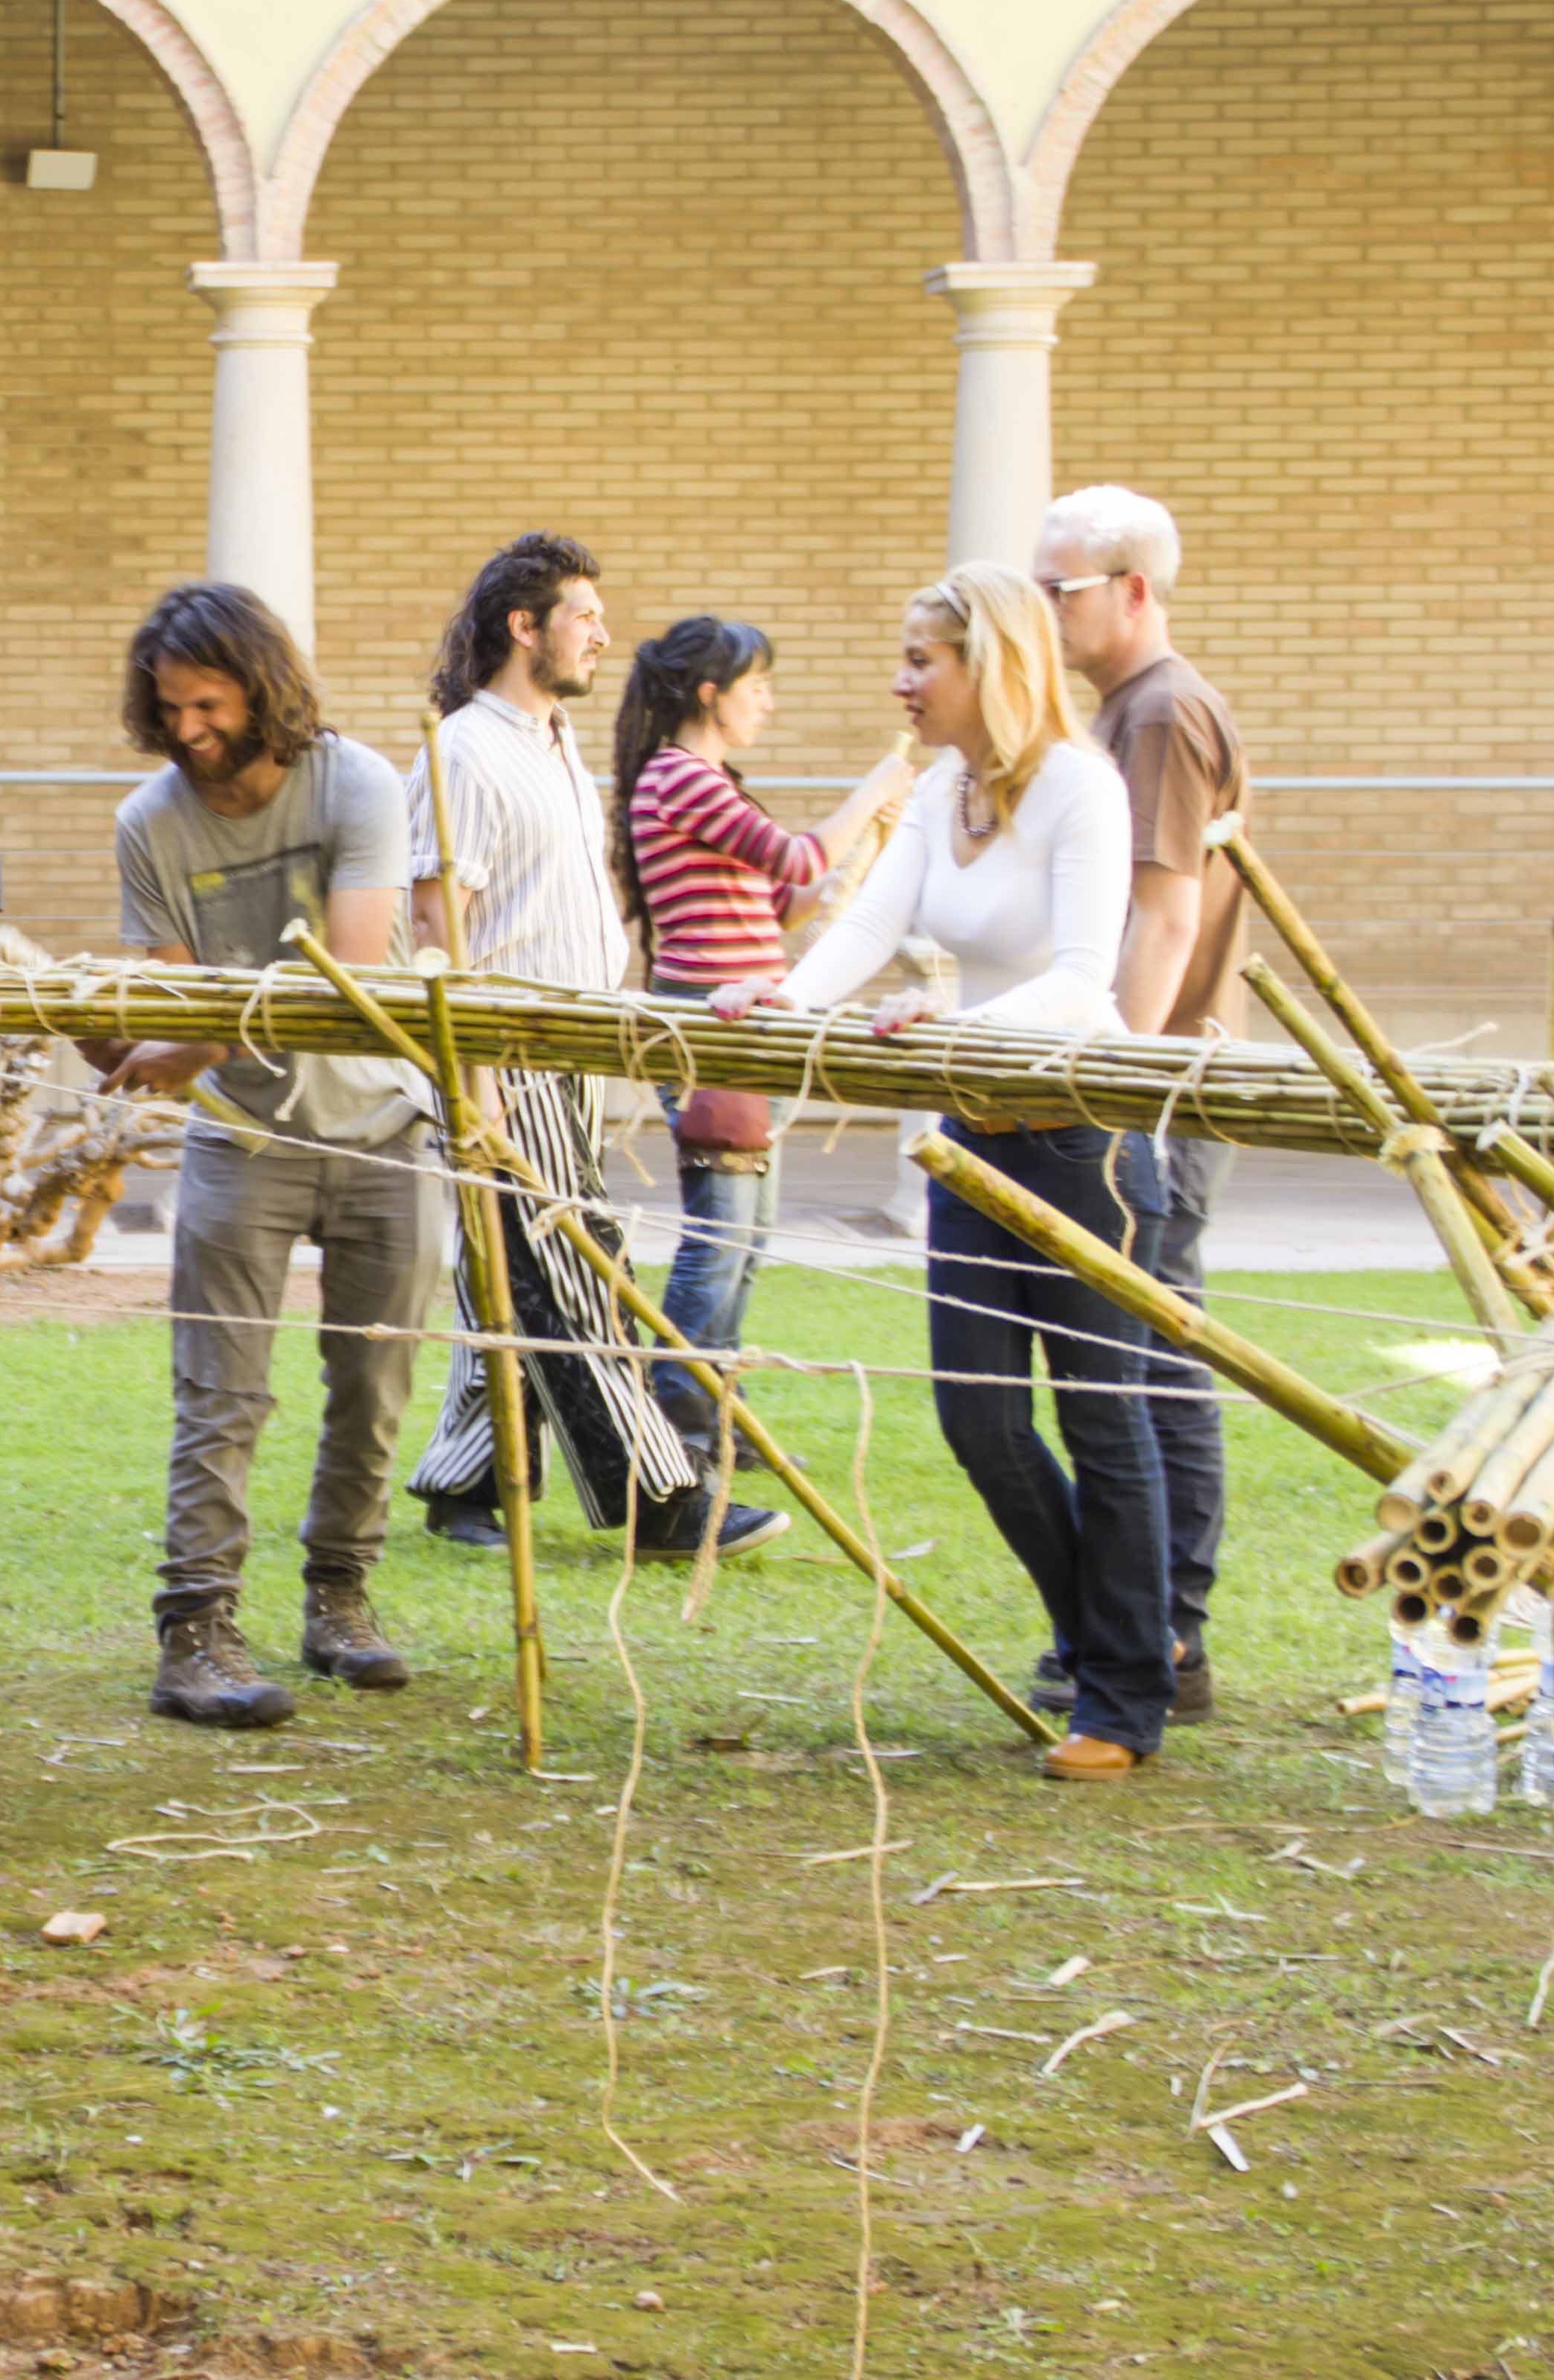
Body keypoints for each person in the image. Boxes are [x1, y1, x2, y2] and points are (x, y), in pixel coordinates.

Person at [722, 564, 1171, 1782]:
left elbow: (1086, 977)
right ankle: (1107, 1643)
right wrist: (784, 989)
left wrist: (946, 1029)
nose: (898, 681)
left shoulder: (1079, 786)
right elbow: (866, 928)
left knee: (1098, 1414)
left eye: (920, 660)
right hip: (969, 1130)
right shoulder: (938, 789)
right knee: (974, 1413)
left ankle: (1119, 1695)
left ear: (993, 667)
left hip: (1082, 1137)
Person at [85, 583, 443, 1729]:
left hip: (387, 1124)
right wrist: (139, 1044)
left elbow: (348, 972)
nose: (187, 729)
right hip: (244, 1138)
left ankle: (340, 1599)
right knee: (220, 1393)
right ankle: (195, 1631)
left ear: (263, 688)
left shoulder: (359, 783)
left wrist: (180, 1046)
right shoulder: (152, 820)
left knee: (372, 1385)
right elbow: (177, 998)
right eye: (169, 709)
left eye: (207, 703)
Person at [402, 534, 788, 1563]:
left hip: (576, 1050)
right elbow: (442, 929)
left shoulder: (558, 743)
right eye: (583, 614)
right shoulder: (464, 752)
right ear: (524, 626)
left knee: (511, 1258)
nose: (604, 633)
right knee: (576, 1260)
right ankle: (659, 1490)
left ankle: (464, 1477)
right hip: (507, 1051)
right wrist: (473, 1082)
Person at [608, 617, 913, 1471]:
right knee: (721, 1238)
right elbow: (798, 853)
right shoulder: (681, 779)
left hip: (749, 1027)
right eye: (758, 687)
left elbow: (784, 902)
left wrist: (856, 859)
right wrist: (876, 786)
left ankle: (709, 1417)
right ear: (711, 694)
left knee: (748, 1236)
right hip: (712, 1030)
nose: (769, 703)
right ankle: (675, 1435)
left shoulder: (709, 782)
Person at [1039, 483, 1240, 1724]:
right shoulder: (1131, 711)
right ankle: (1149, 1624)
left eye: (1057, 586)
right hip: (1149, 1084)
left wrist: (1105, 1074)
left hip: (1152, 1090)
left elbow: (1161, 911)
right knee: (1144, 1348)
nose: (1043, 607)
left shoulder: (1159, 713)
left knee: (1154, 1356)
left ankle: (1166, 1634)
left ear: (1129, 589)